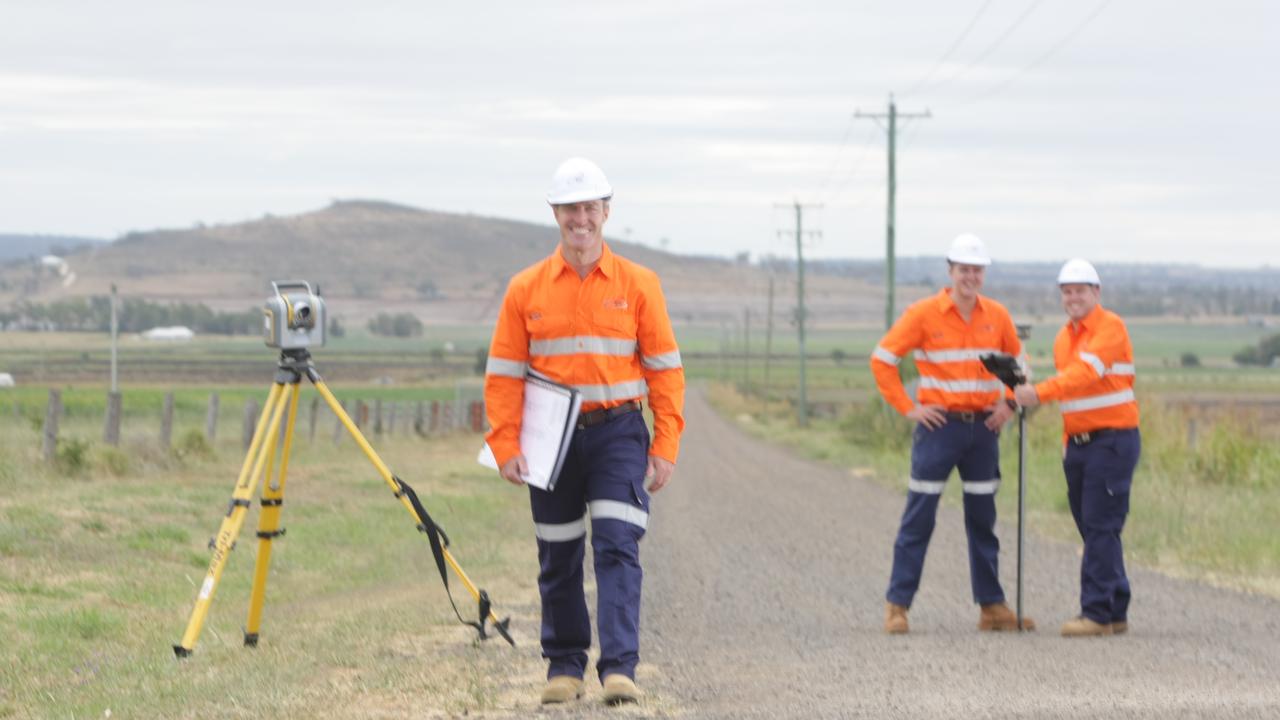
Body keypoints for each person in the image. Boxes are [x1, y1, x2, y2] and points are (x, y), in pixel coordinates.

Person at [482, 157, 685, 705]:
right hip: (550, 439)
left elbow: (665, 369)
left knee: (618, 545)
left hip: (618, 431)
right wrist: (504, 443)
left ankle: (619, 668)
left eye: (589, 208)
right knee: (559, 553)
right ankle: (564, 668)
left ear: (606, 212)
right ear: (555, 214)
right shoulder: (524, 289)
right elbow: (502, 374)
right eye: (570, 208)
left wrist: (665, 443)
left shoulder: (640, 284)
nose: (581, 219)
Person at [870, 233, 1034, 634]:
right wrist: (910, 408)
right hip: (939, 430)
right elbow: (882, 360)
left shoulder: (997, 315)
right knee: (919, 517)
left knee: (983, 520)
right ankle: (898, 606)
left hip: (984, 430)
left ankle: (992, 607)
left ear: (983, 274)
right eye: (964, 269)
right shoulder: (923, 314)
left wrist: (1010, 404)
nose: (971, 277)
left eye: (977, 270)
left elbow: (1020, 366)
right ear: (951, 271)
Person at [1014, 258, 1139, 637]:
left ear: (1096, 293)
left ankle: (1096, 614)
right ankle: (1116, 609)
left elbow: (1084, 376)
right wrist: (1068, 442)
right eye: (1067, 292)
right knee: (1093, 528)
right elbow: (1072, 396)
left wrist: (1037, 393)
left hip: (1112, 440)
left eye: (1080, 291)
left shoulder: (1110, 327)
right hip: (1080, 444)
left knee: (1102, 527)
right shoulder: (1063, 338)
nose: (1073, 298)